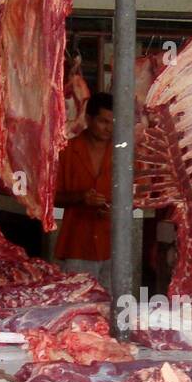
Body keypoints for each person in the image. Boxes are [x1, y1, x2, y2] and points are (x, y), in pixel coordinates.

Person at [54, 91, 114, 283]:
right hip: (77, 245)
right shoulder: (67, 151)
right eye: (104, 122)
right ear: (88, 119)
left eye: (113, 122)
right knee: (76, 308)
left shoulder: (123, 153)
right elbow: (52, 196)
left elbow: (138, 195)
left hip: (113, 246)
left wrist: (117, 210)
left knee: (112, 308)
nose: (109, 128)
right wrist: (80, 197)